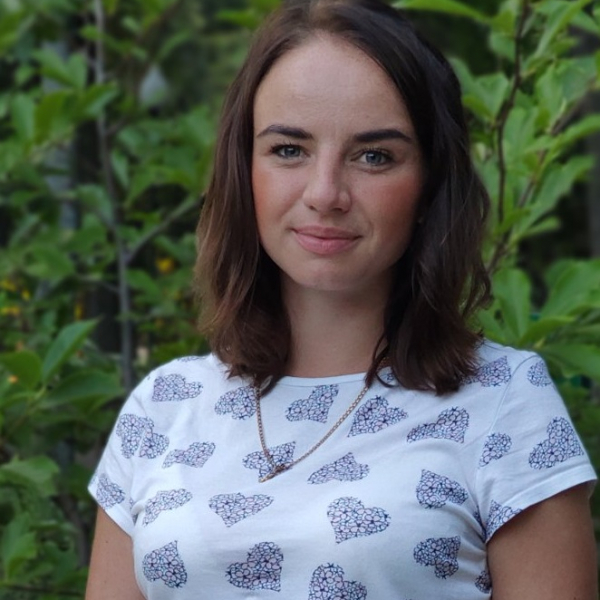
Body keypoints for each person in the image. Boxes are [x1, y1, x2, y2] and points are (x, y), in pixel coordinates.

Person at [85, 0, 598, 598]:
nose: (325, 193)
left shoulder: (506, 403)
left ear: (431, 185)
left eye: (374, 156)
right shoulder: (163, 409)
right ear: (242, 168)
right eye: (289, 149)